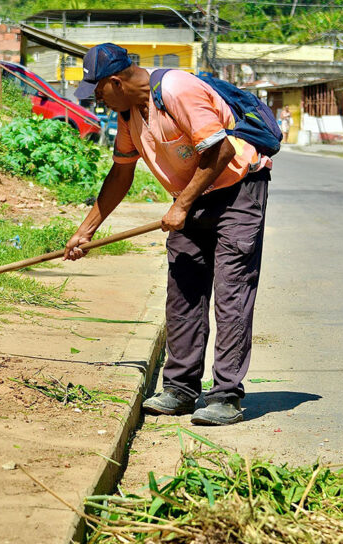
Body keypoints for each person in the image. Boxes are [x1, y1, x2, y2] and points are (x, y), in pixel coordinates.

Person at [63, 43, 272, 426]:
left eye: (97, 92)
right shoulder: (129, 115)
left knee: (231, 294)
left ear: (114, 82)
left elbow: (221, 151)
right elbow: (121, 173)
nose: (97, 101)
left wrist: (181, 206)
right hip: (191, 198)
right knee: (183, 294)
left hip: (238, 191)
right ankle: (180, 389)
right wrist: (85, 231)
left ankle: (226, 396)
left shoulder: (176, 88)